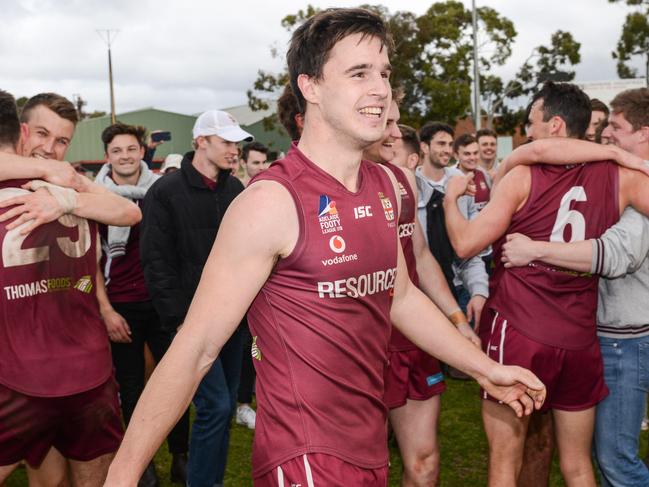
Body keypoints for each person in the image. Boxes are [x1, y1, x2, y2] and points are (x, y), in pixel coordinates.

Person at [104, 9, 545, 487]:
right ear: (310, 87)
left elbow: (400, 297)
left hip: (368, 445)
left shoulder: (384, 185)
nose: (380, 89)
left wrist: (485, 368)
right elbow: (196, 348)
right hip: (305, 458)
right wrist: (122, 475)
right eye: (359, 73)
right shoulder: (270, 202)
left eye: (384, 74)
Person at [443, 81, 649, 487]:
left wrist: (451, 201)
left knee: (505, 461)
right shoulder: (621, 176)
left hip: (519, 327)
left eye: (533, 123)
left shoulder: (521, 176)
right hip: (579, 336)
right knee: (578, 466)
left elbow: (465, 243)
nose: (528, 131)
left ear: (555, 125)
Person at [0, 92, 140, 487]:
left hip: (83, 373)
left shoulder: (76, 191)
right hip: (23, 372)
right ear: (22, 131)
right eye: (42, 134)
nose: (51, 148)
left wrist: (69, 192)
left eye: (62, 141)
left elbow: (129, 215)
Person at [364, 92, 480, 485]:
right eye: (388, 125)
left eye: (396, 125)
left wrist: (458, 321)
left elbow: (422, 256)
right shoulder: (333, 186)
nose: (395, 134)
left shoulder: (403, 182)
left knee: (424, 462)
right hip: (365, 342)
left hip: (415, 334)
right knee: (365, 465)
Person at [139, 109, 252, 487]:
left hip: (233, 319)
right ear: (200, 142)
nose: (234, 150)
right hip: (191, 322)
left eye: (237, 143)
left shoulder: (235, 190)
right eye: (226, 142)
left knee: (221, 407)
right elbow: (155, 262)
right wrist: (178, 321)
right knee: (215, 405)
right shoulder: (164, 192)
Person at [94, 122, 189, 486]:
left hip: (163, 304)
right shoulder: (95, 196)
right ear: (108, 157)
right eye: (117, 151)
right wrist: (107, 311)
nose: (125, 156)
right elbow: (93, 258)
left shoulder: (161, 190)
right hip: (123, 305)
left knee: (175, 383)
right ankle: (142, 462)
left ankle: (181, 454)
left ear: (142, 153)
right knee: (132, 390)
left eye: (131, 149)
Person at [415, 122, 489, 329]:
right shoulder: (411, 183)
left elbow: (469, 241)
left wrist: (479, 289)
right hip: (422, 291)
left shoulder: (459, 181)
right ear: (424, 147)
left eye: (449, 144)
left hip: (458, 286)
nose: (447, 150)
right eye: (440, 144)